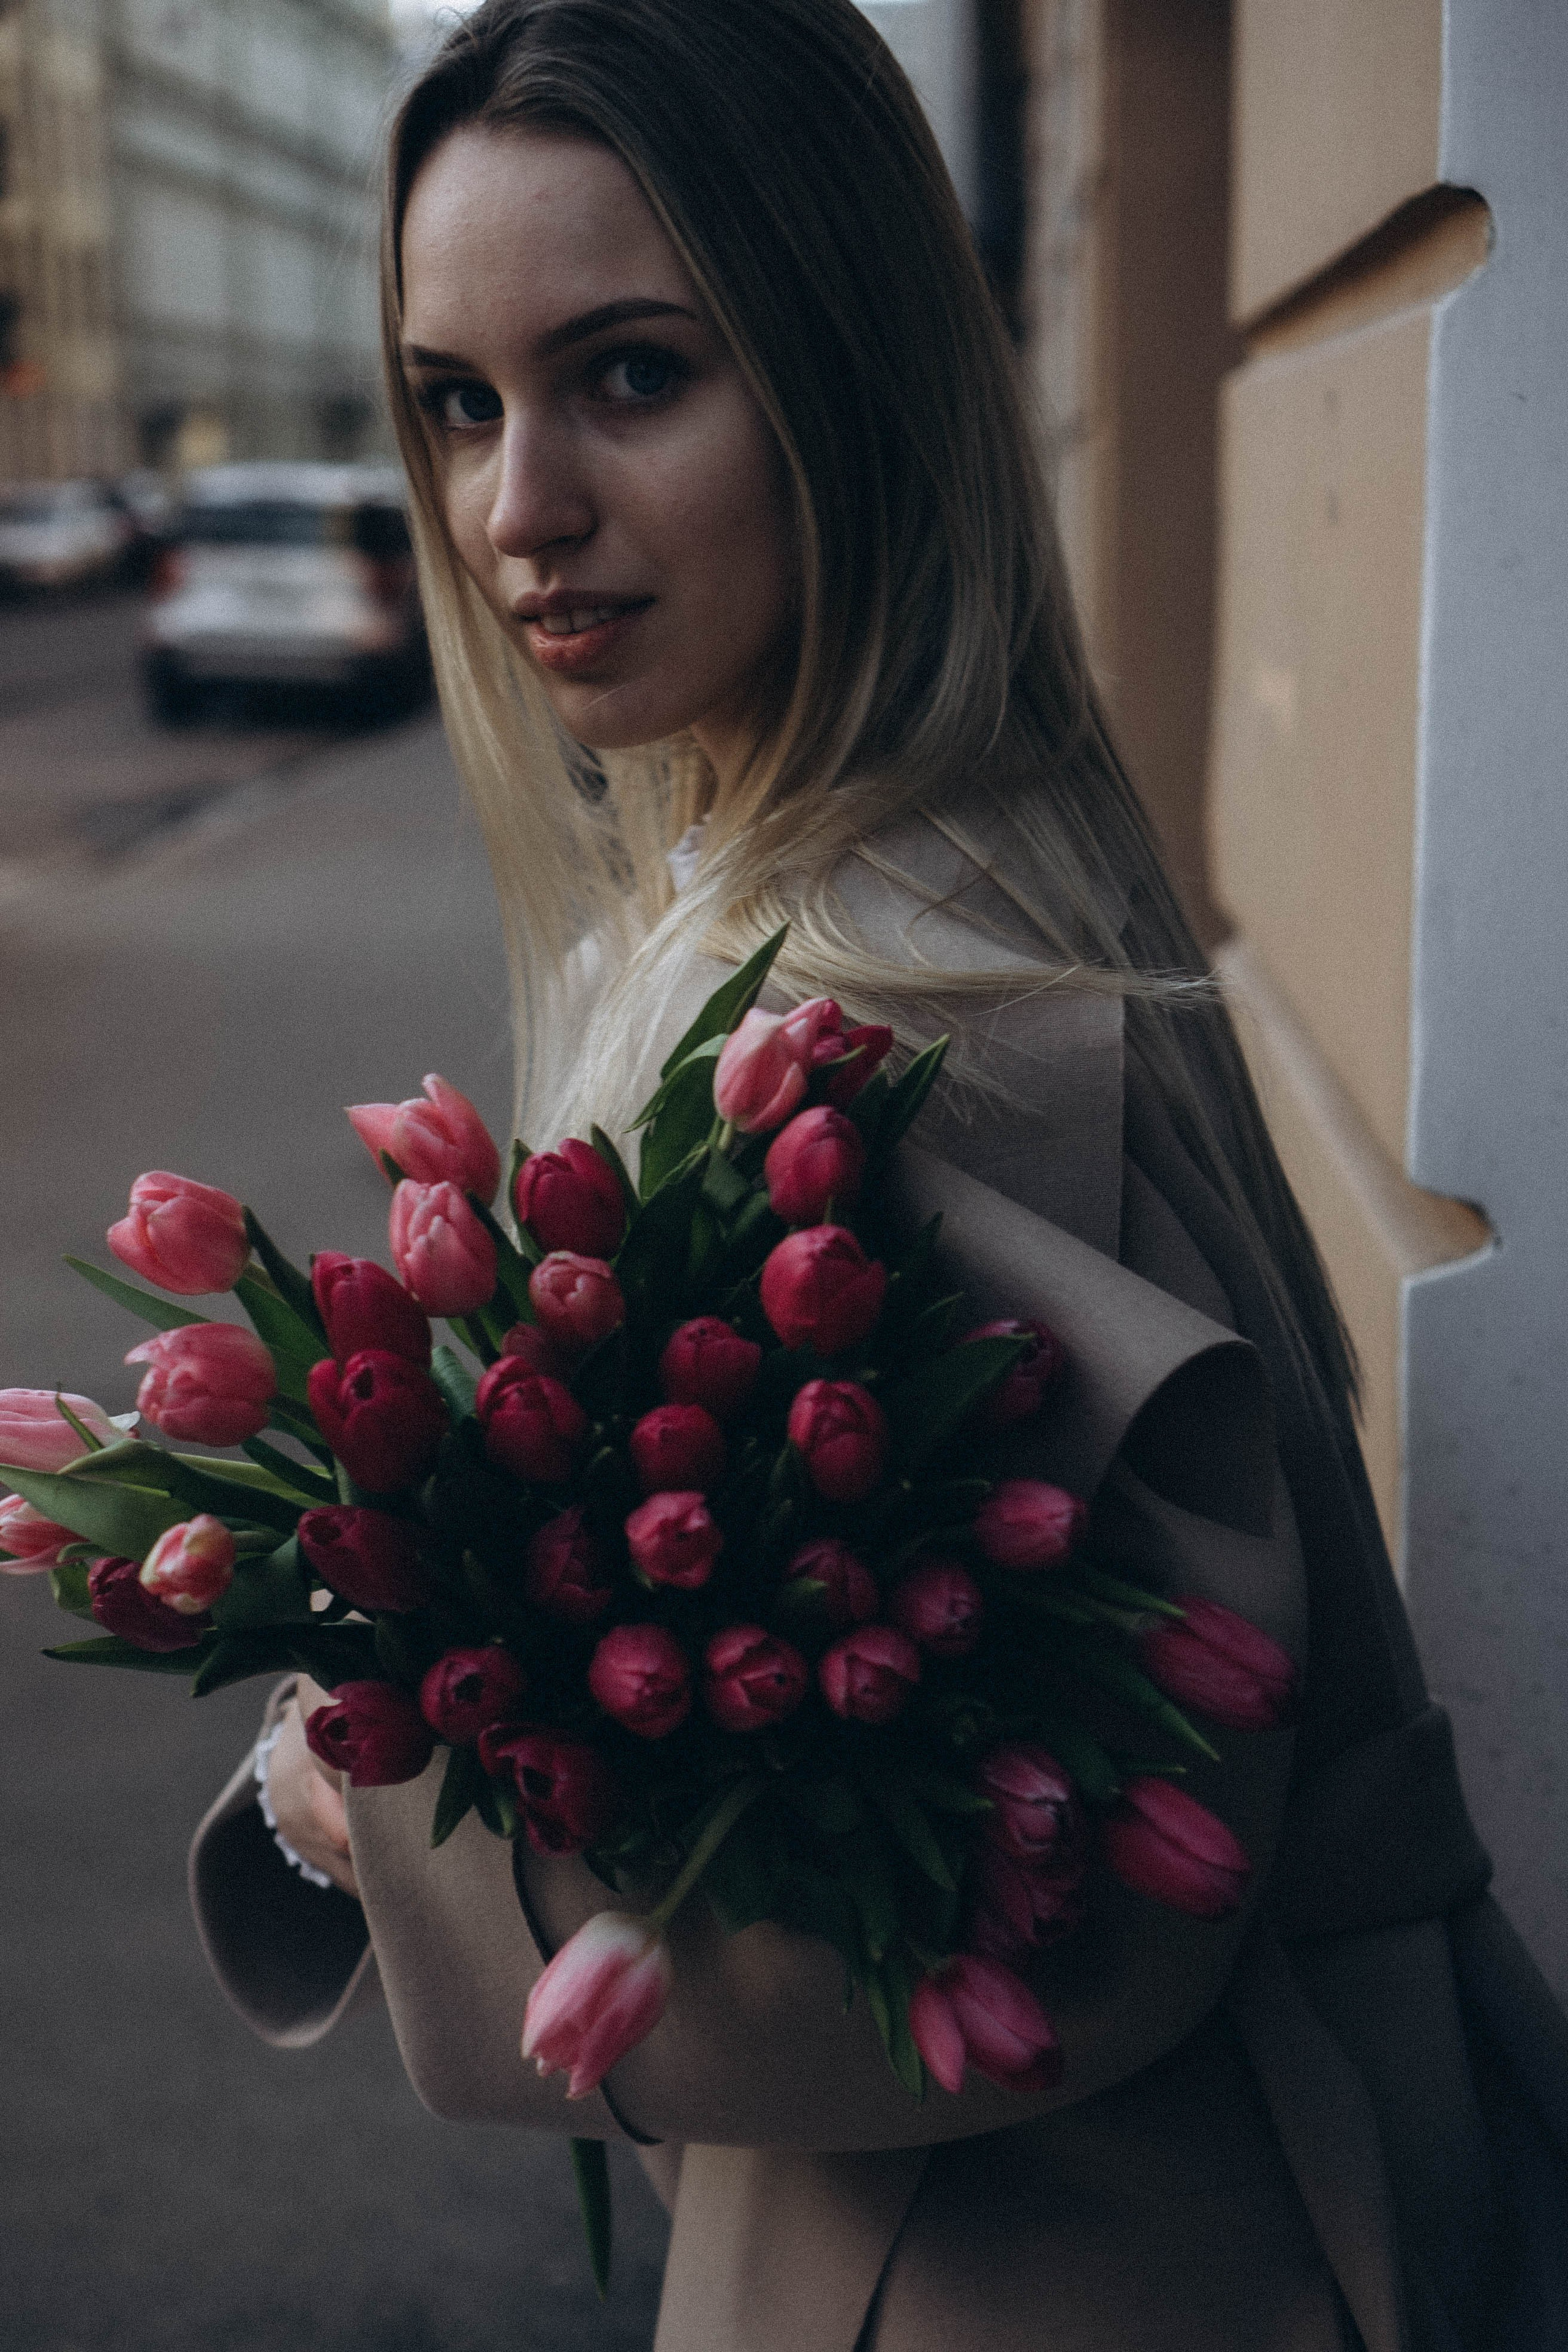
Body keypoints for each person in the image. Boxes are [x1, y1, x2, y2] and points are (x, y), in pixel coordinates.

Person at [190, 3, 1568, 2345]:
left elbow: (1036, 1899)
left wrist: (364, 1800)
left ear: (847, 377)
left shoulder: (905, 1006)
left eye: (630, 374)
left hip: (1096, 2244)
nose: (514, 506)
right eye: (458, 397)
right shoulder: (813, 868)